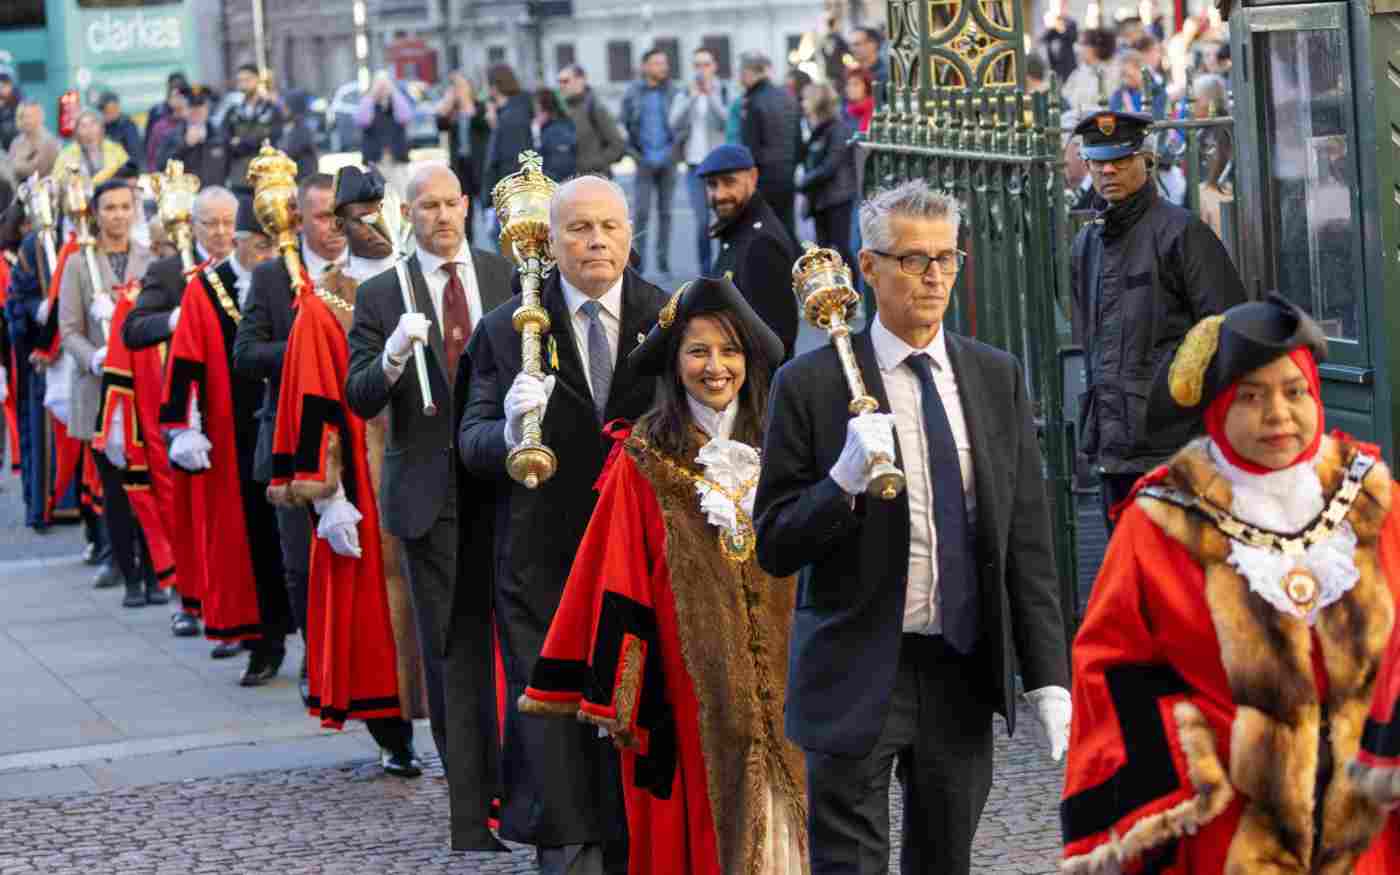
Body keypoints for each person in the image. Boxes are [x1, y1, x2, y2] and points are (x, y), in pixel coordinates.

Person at [754, 179, 1072, 875]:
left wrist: (1050, 674)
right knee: (849, 863)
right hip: (855, 661)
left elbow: (1025, 538)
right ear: (868, 268)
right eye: (912, 259)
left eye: (946, 257)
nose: (933, 276)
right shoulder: (809, 385)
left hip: (960, 664)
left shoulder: (995, 375)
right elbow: (773, 541)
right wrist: (840, 483)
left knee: (945, 858)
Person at [1061, 294, 1400, 873]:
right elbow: (1109, 665)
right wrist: (1197, 757)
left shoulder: (1374, 501)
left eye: (1294, 392)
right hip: (1229, 837)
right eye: (1251, 396)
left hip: (1369, 832)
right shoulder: (1158, 522)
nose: (1278, 414)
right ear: (1217, 406)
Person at [520, 276, 807, 874]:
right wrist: (623, 697)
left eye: (729, 351)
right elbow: (616, 576)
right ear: (676, 364)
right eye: (698, 351)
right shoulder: (644, 458)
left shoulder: (784, 445)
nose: (716, 367)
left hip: (791, 681)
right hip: (683, 693)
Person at [458, 174, 669, 874]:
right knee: (553, 740)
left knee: (636, 726)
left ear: (631, 235)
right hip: (543, 568)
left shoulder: (669, 318)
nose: (596, 241)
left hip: (642, 566)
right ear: (551, 241)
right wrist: (511, 428)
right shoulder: (506, 327)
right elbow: (471, 440)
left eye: (610, 226)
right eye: (579, 228)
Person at [344, 162, 514, 850]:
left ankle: (523, 787)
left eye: (450, 204)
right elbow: (359, 395)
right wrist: (390, 357)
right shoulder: (383, 293)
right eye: (428, 207)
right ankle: (472, 811)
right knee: (450, 655)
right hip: (428, 496)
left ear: (467, 206)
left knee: (515, 644)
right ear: (408, 213)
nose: (442, 217)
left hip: (502, 487)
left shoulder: (505, 276)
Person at [267, 163, 425, 778]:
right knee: (378, 612)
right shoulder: (323, 304)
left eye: (381, 211)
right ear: (340, 223)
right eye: (360, 216)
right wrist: (327, 496)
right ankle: (393, 732)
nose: (374, 225)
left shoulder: (425, 281)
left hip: (437, 463)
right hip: (366, 472)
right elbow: (312, 401)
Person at [135, 186, 293, 677]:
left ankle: (315, 643)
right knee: (250, 540)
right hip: (232, 429)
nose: (264, 254)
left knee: (299, 538)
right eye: (257, 245)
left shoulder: (294, 279)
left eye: (270, 245)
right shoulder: (205, 287)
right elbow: (184, 360)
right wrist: (183, 427)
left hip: (292, 419)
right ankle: (263, 643)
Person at [1069, 111, 1246, 530]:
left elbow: (1226, 332)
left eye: (1120, 160)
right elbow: (1091, 342)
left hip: (1176, 448)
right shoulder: (1087, 243)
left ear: (1145, 161)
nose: (1108, 171)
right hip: (1113, 449)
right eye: (1098, 162)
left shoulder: (1182, 233)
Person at [234, 172, 345, 692]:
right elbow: (246, 354)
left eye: (340, 214)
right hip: (292, 437)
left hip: (356, 436)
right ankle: (314, 658)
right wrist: (306, 351)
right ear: (298, 220)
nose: (335, 226)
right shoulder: (273, 276)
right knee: (301, 562)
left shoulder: (369, 269)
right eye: (322, 216)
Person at [58, 169, 159, 610]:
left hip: (142, 389)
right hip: (100, 391)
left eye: (124, 207)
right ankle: (129, 575)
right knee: (116, 489)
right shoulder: (79, 263)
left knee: (148, 484)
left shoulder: (151, 259)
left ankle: (157, 573)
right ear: (95, 214)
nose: (117, 216)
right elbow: (69, 329)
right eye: (109, 208)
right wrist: (95, 357)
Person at [697, 144, 800, 362]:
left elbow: (776, 340)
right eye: (712, 185)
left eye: (729, 182)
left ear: (753, 177)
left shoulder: (761, 244)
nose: (720, 194)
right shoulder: (739, 227)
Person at [668, 47, 730, 275]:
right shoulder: (685, 93)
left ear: (714, 67)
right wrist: (693, 97)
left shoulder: (724, 90)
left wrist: (710, 96)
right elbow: (673, 123)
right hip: (695, 166)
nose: (701, 69)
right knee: (702, 221)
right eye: (697, 65)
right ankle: (705, 271)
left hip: (719, 166)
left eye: (706, 64)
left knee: (724, 217)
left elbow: (726, 121)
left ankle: (725, 266)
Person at [621, 47, 679, 277]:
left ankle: (663, 261)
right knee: (641, 212)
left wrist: (673, 151)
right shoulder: (632, 93)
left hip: (668, 160)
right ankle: (640, 263)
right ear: (645, 66)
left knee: (666, 212)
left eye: (664, 63)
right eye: (657, 63)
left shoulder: (674, 92)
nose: (663, 67)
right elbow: (624, 125)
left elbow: (682, 124)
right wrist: (635, 154)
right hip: (643, 160)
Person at [737, 52, 801, 240]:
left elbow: (750, 147)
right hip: (786, 174)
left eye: (740, 72)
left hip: (763, 176)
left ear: (748, 72)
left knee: (763, 231)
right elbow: (798, 141)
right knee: (786, 228)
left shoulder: (753, 100)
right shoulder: (787, 96)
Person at [799, 83, 857, 279]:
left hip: (837, 196)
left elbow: (831, 165)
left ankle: (851, 289)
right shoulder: (816, 128)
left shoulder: (838, 129)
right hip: (821, 197)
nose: (802, 103)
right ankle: (830, 288)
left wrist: (803, 182)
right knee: (823, 251)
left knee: (841, 249)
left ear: (817, 102)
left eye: (806, 99)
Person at [435, 72, 490, 240]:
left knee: (486, 205)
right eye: (456, 87)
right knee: (464, 209)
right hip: (460, 164)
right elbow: (440, 124)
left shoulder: (480, 106)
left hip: (480, 164)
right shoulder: (453, 111)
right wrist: (448, 102)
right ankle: (469, 242)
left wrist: (466, 101)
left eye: (462, 87)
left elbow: (481, 123)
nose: (459, 91)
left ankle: (493, 240)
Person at [559, 65, 627, 179]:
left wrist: (594, 165)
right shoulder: (565, 109)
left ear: (581, 80)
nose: (561, 86)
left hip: (596, 179)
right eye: (559, 82)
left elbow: (617, 145)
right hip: (573, 179)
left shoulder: (594, 107)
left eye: (565, 81)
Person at [223, 64, 283, 192]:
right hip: (239, 177)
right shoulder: (233, 111)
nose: (243, 84)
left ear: (257, 80)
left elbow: (273, 139)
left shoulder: (270, 109)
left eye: (247, 79)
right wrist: (252, 141)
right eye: (240, 80)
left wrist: (242, 142)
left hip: (266, 176)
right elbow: (225, 138)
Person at [156, 88, 229, 188]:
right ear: (185, 110)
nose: (196, 111)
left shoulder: (219, 134)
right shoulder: (173, 136)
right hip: (185, 193)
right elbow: (161, 165)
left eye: (200, 107)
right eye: (192, 107)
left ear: (207, 109)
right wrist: (185, 145)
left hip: (214, 193)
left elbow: (229, 165)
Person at [482, 64, 533, 202]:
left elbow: (509, 158)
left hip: (510, 191)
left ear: (494, 87)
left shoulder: (510, 117)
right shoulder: (517, 108)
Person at [52, 111, 129, 184]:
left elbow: (129, 172)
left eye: (93, 124)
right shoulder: (67, 153)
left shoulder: (115, 149)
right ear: (77, 132)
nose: (89, 129)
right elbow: (56, 180)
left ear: (101, 128)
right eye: (83, 126)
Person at [356, 74, 413, 171]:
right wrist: (371, 96)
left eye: (385, 84)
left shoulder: (396, 101)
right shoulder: (367, 102)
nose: (382, 88)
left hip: (397, 157)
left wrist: (393, 93)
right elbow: (363, 121)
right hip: (374, 158)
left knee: (400, 180)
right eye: (378, 85)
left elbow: (405, 117)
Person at [1062, 28, 1119, 113]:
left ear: (1095, 48)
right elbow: (1065, 96)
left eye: (1082, 43)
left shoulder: (1109, 72)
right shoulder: (1079, 72)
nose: (1077, 48)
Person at [532, 88, 577, 182]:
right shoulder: (552, 128)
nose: (535, 114)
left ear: (545, 110)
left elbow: (559, 165)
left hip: (556, 183)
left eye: (537, 110)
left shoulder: (557, 131)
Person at [143, 72, 189, 161]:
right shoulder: (158, 116)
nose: (179, 99)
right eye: (175, 95)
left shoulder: (194, 119)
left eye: (181, 94)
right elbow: (151, 153)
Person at [1108, 50, 1166, 118]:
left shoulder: (1157, 92)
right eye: (1123, 75)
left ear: (1140, 70)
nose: (1125, 80)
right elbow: (1112, 117)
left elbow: (1157, 119)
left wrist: (1131, 110)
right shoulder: (1119, 94)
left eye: (1129, 76)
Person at [9, 103, 59, 181]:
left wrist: (17, 164)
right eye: (22, 117)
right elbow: (10, 168)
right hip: (19, 185)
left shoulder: (49, 142)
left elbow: (37, 170)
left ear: (40, 118)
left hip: (43, 185)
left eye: (29, 117)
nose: (26, 121)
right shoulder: (16, 142)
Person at [278, 90, 321, 181]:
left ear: (293, 108)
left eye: (285, 107)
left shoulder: (302, 129)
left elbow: (287, 152)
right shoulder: (291, 126)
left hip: (304, 181)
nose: (282, 110)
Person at [97, 93, 142, 171]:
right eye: (107, 111)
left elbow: (135, 155)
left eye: (114, 109)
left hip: (125, 170)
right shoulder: (102, 126)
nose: (112, 113)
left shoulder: (127, 126)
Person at [1039, 0, 1080, 83]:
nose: (1060, 8)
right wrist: (1049, 26)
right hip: (1053, 64)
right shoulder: (1051, 22)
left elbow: (1073, 37)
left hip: (1067, 64)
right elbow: (1043, 39)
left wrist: (1060, 27)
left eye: (1062, 6)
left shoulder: (1071, 22)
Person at [0, 74, 22, 153]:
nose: (1, 90)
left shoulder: (17, 98)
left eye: (3, 87)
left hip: (17, 137)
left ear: (10, 86)